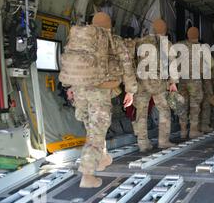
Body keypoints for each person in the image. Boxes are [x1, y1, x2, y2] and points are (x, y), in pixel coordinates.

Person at [70, 12, 137, 188]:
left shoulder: (82, 41)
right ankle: (87, 175)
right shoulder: (114, 41)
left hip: (80, 91)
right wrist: (130, 90)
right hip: (99, 92)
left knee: (92, 127)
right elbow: (127, 66)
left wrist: (71, 88)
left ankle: (102, 157)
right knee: (96, 132)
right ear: (110, 26)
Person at [133, 18, 178, 151]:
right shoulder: (166, 43)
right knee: (164, 110)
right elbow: (173, 63)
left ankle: (143, 143)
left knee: (141, 113)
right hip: (158, 82)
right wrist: (173, 82)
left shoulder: (140, 42)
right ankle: (163, 141)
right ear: (164, 30)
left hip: (141, 82)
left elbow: (132, 61)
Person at [177, 27, 205, 139]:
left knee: (182, 105)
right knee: (195, 105)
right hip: (194, 81)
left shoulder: (178, 46)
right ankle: (193, 130)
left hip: (181, 80)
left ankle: (183, 131)